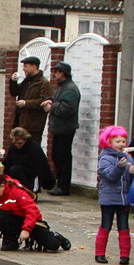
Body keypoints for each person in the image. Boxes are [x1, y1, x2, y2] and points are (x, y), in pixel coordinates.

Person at [0, 171, 68, 252]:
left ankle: (57, 237)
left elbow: (32, 211)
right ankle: (11, 241)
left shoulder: (17, 192)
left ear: (2, 186)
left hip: (32, 223)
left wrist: (26, 229)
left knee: (52, 245)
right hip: (15, 221)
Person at [95, 125, 134, 265]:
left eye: (124, 141)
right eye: (118, 141)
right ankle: (100, 253)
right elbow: (110, 176)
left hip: (124, 198)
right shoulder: (105, 158)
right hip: (108, 198)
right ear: (109, 142)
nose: (122, 144)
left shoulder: (127, 157)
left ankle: (125, 256)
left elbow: (130, 178)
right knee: (106, 225)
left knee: (124, 227)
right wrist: (120, 167)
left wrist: (132, 172)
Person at [44, 61, 82, 195]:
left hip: (65, 128)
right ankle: (60, 185)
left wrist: (52, 106)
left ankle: (63, 187)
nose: (55, 74)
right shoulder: (63, 87)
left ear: (63, 73)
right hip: (60, 127)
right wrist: (50, 100)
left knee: (62, 157)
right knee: (57, 155)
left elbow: (68, 109)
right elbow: (59, 101)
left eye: (57, 71)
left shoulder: (70, 89)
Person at [0, 125, 51, 194]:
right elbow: (8, 163)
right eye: (15, 143)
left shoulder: (34, 149)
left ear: (25, 139)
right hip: (17, 174)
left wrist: (45, 184)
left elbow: (42, 168)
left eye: (19, 143)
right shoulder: (13, 148)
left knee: (15, 169)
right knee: (12, 170)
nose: (17, 145)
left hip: (31, 176)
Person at [10, 56, 51, 140]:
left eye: (25, 66)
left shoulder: (43, 83)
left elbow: (44, 101)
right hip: (21, 122)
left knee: (31, 146)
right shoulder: (27, 80)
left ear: (34, 67)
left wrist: (26, 103)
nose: (23, 69)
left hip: (33, 126)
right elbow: (14, 92)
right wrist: (13, 81)